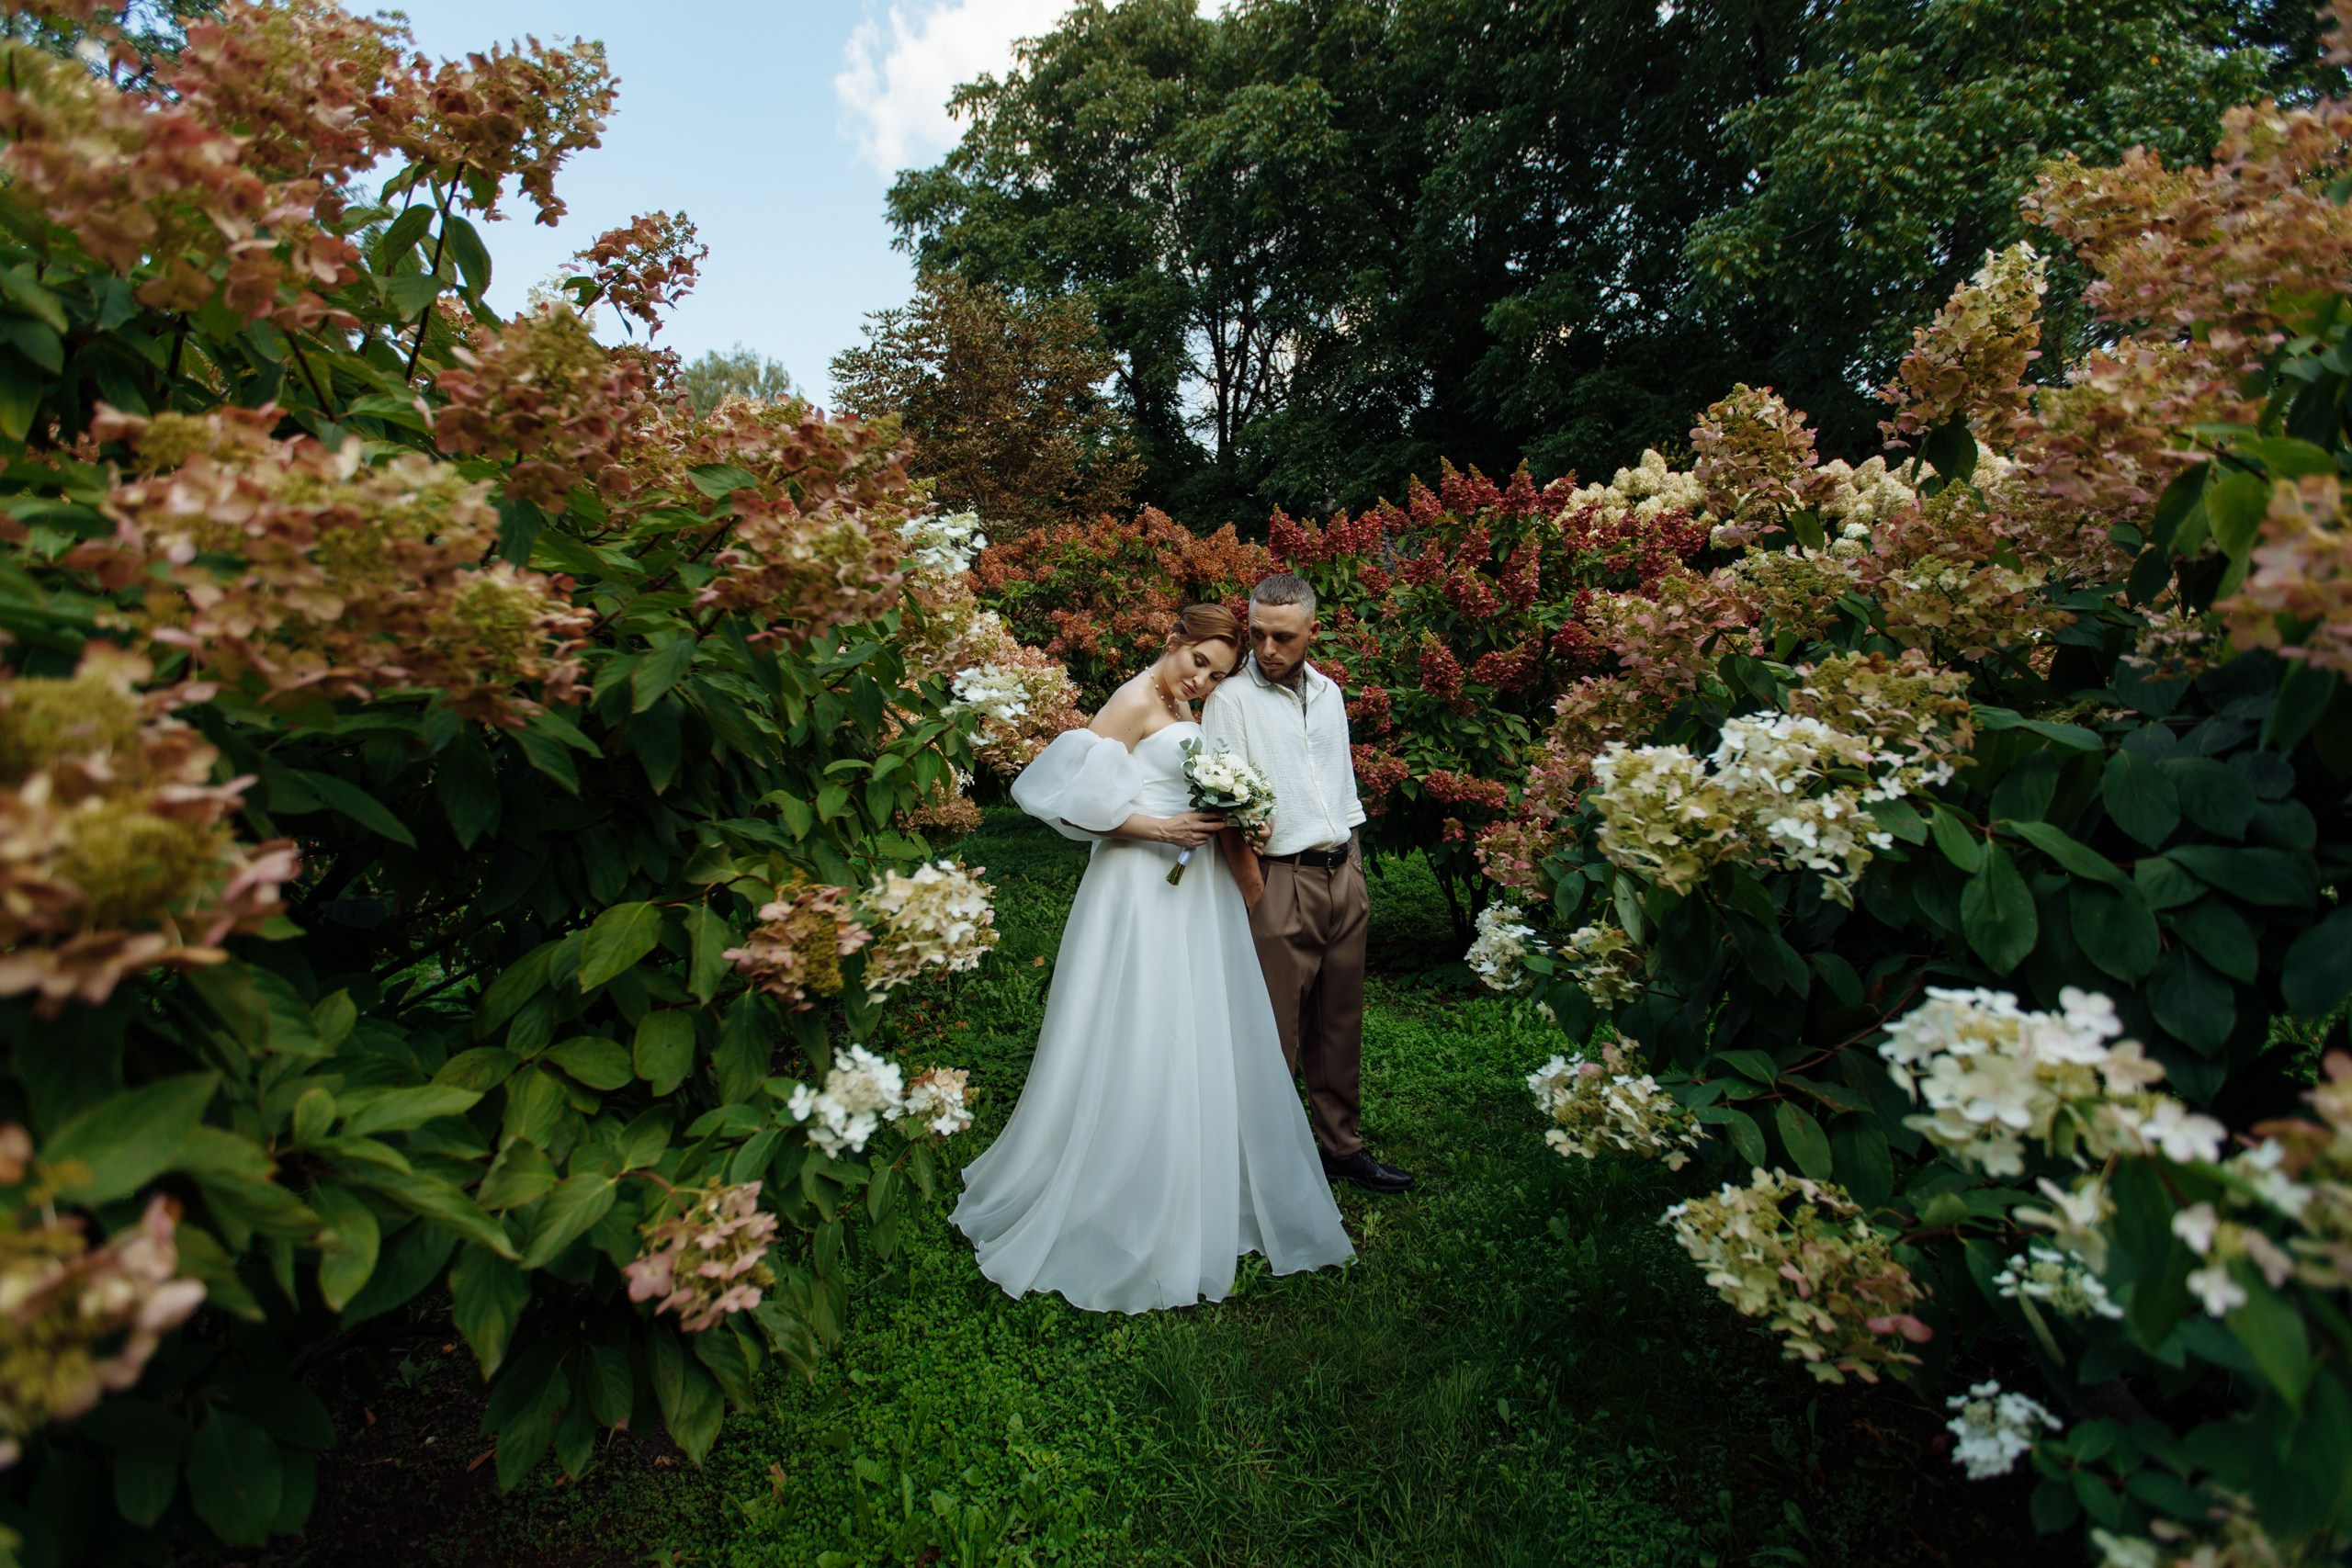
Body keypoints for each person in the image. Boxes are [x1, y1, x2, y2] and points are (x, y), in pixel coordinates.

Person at [951, 604, 1354, 1313]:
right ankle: (1127, 1182)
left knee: (1195, 1021)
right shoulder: (1134, 701)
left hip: (1193, 889)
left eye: (1217, 675)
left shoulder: (1176, 704)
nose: (1202, 681)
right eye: (1198, 662)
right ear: (1174, 640)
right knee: (1142, 1020)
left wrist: (1238, 812)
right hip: (1137, 886)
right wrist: (1160, 825)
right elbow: (1067, 800)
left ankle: (1197, 1170)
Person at [1203, 574, 1416, 1195]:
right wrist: (1254, 893)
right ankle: (1258, 1169)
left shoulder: (1329, 694)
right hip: (1278, 881)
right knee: (1273, 1034)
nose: (1268, 648)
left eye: (1284, 636)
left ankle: (1341, 1148)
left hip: (1342, 872)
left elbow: (1336, 781)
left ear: (1312, 632)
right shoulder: (1231, 701)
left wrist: (1355, 866)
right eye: (1259, 634)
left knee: (1339, 1021)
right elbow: (1222, 807)